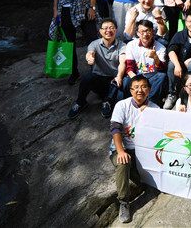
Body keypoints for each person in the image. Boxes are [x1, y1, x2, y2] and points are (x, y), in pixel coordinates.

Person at [110, 74, 159, 223]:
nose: (140, 90)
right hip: (123, 148)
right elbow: (115, 129)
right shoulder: (122, 105)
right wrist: (120, 151)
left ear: (149, 90)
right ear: (130, 90)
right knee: (123, 162)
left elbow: (160, 134)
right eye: (136, 87)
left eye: (144, 86)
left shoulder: (154, 108)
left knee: (151, 183)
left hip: (143, 151)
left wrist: (150, 115)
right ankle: (124, 202)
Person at [67, 18, 127, 119]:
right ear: (100, 31)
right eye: (105, 28)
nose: (108, 30)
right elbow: (90, 53)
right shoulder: (94, 44)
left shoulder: (122, 45)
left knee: (124, 79)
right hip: (99, 79)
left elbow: (123, 62)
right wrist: (89, 58)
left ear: (116, 31)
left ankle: (107, 101)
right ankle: (80, 103)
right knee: (87, 78)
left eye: (112, 28)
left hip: (115, 81)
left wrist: (119, 76)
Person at [123, 19, 167, 107]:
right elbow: (130, 68)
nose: (145, 34)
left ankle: (149, 103)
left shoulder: (161, 47)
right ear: (137, 33)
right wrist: (136, 80)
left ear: (153, 32)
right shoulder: (131, 45)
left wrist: (155, 57)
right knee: (126, 80)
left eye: (148, 31)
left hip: (152, 78)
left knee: (162, 76)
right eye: (142, 32)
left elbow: (162, 68)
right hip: (137, 77)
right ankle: (128, 104)